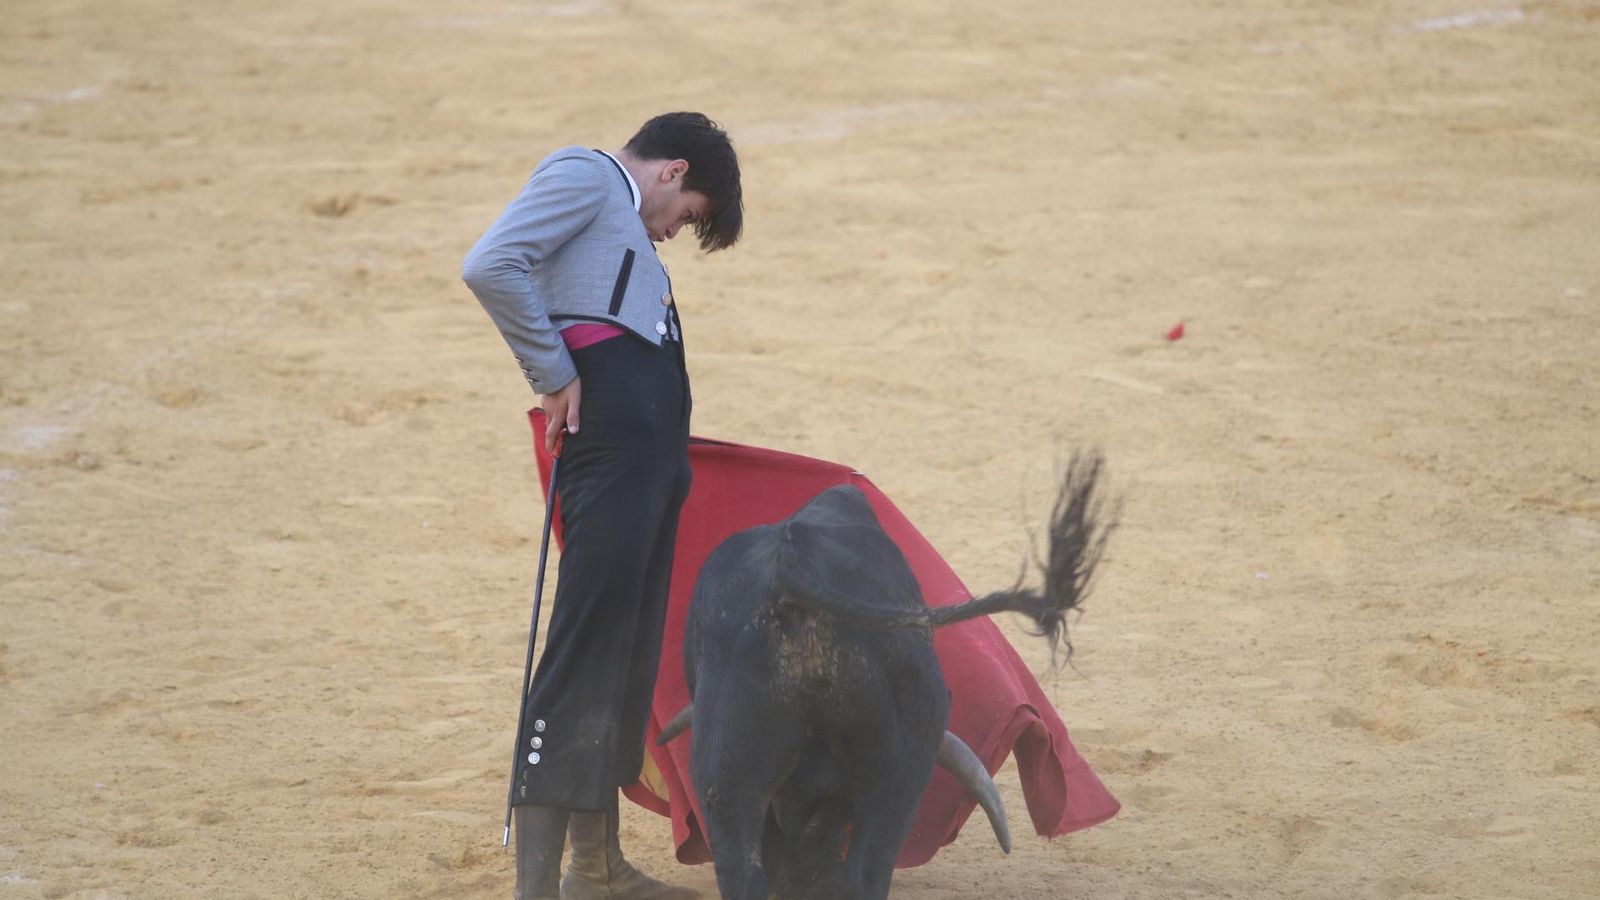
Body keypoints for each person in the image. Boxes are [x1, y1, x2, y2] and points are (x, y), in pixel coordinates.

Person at [462, 112, 743, 900]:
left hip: (644, 463)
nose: (672, 232)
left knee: (621, 659)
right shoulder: (588, 175)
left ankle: (596, 868)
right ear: (671, 170)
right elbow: (491, 264)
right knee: (586, 654)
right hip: (616, 456)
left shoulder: (616, 215)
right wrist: (550, 372)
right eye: (686, 215)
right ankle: (539, 888)